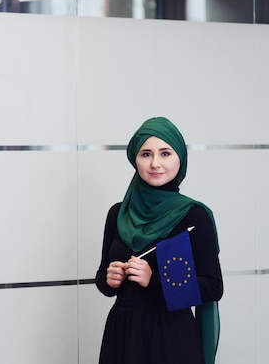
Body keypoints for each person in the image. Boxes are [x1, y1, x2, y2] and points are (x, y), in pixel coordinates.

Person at [95, 116, 223, 364]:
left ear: (180, 159)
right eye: (146, 154)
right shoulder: (118, 214)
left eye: (165, 153)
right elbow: (102, 281)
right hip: (123, 334)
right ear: (135, 159)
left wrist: (154, 280)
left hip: (171, 337)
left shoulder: (194, 215)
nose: (155, 163)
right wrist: (109, 280)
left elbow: (213, 287)